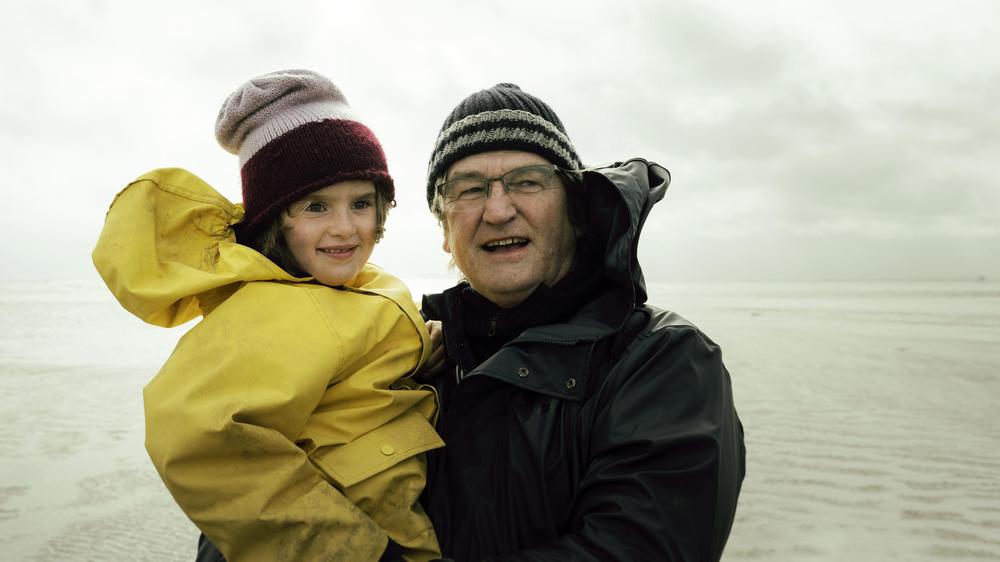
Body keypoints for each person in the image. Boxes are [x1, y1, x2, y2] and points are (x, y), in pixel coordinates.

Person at [93, 69, 443, 561]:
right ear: (274, 218)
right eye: (316, 206)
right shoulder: (274, 306)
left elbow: (340, 373)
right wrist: (355, 553)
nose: (345, 228)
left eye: (362, 203)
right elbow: (195, 433)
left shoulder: (357, 286)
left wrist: (419, 354)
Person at [418, 83, 746, 561]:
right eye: (468, 190)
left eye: (528, 181)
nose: (498, 210)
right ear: (445, 230)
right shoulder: (407, 359)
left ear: (576, 212)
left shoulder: (664, 360)